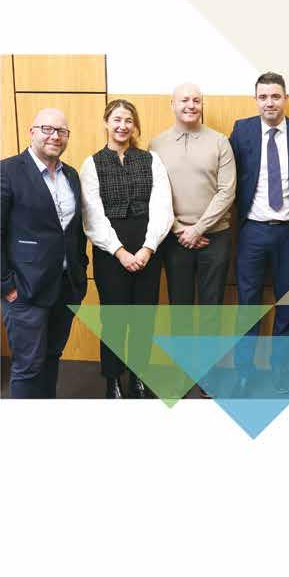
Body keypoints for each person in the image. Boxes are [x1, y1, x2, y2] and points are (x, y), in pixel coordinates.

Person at [229, 72, 289, 391]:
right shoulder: (241, 130)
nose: (270, 102)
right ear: (256, 99)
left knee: (286, 302)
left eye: (275, 96)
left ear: (286, 98)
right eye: (263, 97)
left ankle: (280, 369)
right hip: (252, 231)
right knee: (248, 303)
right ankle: (244, 370)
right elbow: (231, 177)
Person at [80, 100, 173, 398]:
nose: (122, 126)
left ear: (135, 126)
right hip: (110, 252)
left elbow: (162, 207)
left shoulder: (151, 160)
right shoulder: (92, 164)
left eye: (128, 120)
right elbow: (92, 215)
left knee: (144, 318)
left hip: (148, 247)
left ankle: (138, 376)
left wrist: (147, 248)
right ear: (106, 123)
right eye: (117, 119)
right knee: (114, 319)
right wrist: (119, 251)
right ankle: (113, 379)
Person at [149, 82, 236, 390]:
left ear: (202, 105)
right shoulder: (156, 144)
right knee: (180, 308)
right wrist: (179, 230)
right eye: (184, 100)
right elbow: (154, 194)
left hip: (216, 237)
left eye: (196, 100)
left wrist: (198, 229)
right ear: (172, 104)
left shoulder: (220, 142)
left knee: (212, 308)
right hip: (174, 240)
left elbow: (227, 191)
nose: (190, 105)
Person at [0, 108, 88, 398]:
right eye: (47, 129)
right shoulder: (7, 171)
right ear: (32, 132)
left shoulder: (71, 175)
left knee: (52, 358)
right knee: (28, 367)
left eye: (61, 131)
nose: (54, 136)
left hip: (65, 287)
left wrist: (81, 271)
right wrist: (6, 286)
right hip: (25, 290)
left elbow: (74, 231)